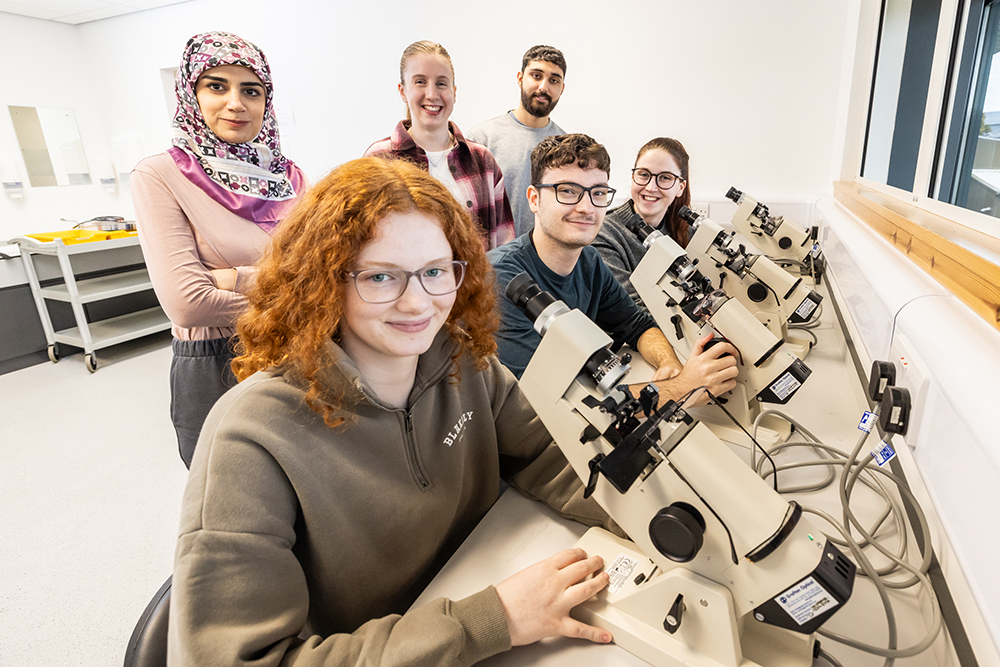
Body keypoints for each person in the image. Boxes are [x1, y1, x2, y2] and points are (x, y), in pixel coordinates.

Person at [168, 157, 621, 666]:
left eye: (435, 272)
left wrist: (654, 517)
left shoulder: (464, 362)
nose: (417, 304)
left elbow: (550, 458)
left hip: (473, 603)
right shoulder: (251, 438)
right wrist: (491, 620)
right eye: (381, 277)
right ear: (322, 281)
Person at [131, 31, 306, 468]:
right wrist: (292, 290)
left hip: (300, 352)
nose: (236, 102)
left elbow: (326, 273)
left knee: (314, 493)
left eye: (251, 90)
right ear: (190, 93)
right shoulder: (160, 175)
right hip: (219, 364)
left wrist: (234, 279)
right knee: (239, 501)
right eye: (216, 86)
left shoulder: (290, 178)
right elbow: (189, 304)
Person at [488, 134, 737, 405]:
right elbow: (553, 400)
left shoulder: (589, 262)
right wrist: (681, 388)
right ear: (534, 199)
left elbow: (637, 325)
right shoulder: (501, 276)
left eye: (598, 193)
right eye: (568, 191)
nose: (586, 208)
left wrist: (669, 363)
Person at [364, 40, 515, 250]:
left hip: (473, 283)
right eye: (420, 82)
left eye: (441, 83)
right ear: (402, 91)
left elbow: (504, 249)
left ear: (454, 91)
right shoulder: (378, 160)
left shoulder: (483, 161)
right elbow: (364, 243)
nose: (432, 94)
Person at [468, 45, 568, 238]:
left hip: (544, 264)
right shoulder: (481, 139)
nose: (544, 87)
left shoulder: (566, 148)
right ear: (520, 78)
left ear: (562, 88)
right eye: (536, 76)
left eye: (553, 80)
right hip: (491, 261)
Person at [593, 137, 692, 310]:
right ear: (633, 177)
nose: (651, 187)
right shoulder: (605, 234)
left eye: (665, 178)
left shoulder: (687, 232)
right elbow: (631, 310)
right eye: (644, 174)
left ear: (680, 188)